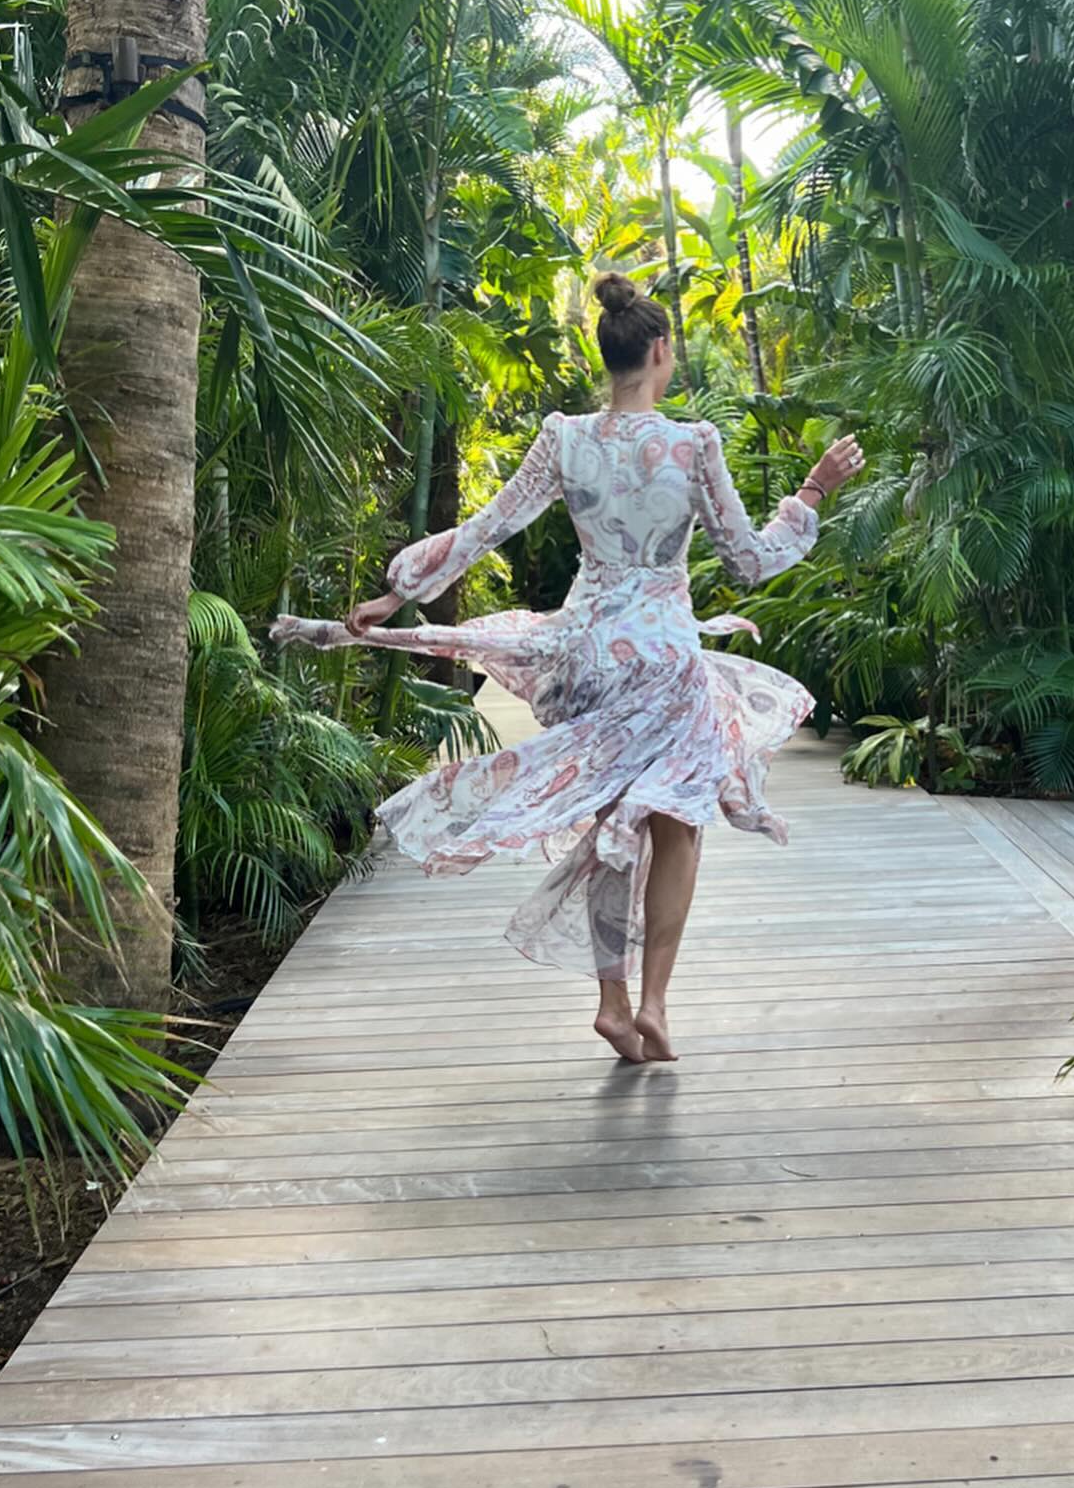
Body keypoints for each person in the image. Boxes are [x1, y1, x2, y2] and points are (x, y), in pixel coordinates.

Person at [271, 271, 863, 1062]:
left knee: (613, 821)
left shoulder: (565, 438)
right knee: (676, 825)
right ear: (661, 350)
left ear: (610, 355)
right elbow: (749, 561)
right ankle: (653, 1003)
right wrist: (812, 492)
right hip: (664, 660)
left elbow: (489, 525)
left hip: (588, 654)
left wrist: (398, 591)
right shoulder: (693, 445)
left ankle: (613, 1005)